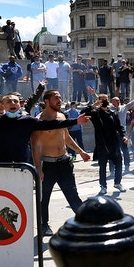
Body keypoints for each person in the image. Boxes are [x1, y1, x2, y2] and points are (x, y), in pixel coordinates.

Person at [31, 90, 91, 237]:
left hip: (64, 163)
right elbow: (34, 147)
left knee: (73, 196)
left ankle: (85, 223)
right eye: (55, 98)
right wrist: (38, 169)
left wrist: (81, 152)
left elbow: (67, 138)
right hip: (48, 166)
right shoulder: (39, 120)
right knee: (44, 199)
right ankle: (44, 225)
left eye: (59, 97)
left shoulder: (62, 116)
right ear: (46, 101)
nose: (59, 100)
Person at [81, 92, 128, 195]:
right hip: (102, 144)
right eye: (102, 99)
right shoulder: (95, 113)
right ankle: (103, 186)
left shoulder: (112, 113)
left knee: (119, 163)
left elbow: (119, 126)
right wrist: (94, 105)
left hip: (113, 143)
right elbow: (83, 112)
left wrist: (123, 135)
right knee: (102, 167)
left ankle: (118, 183)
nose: (104, 101)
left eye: (106, 99)